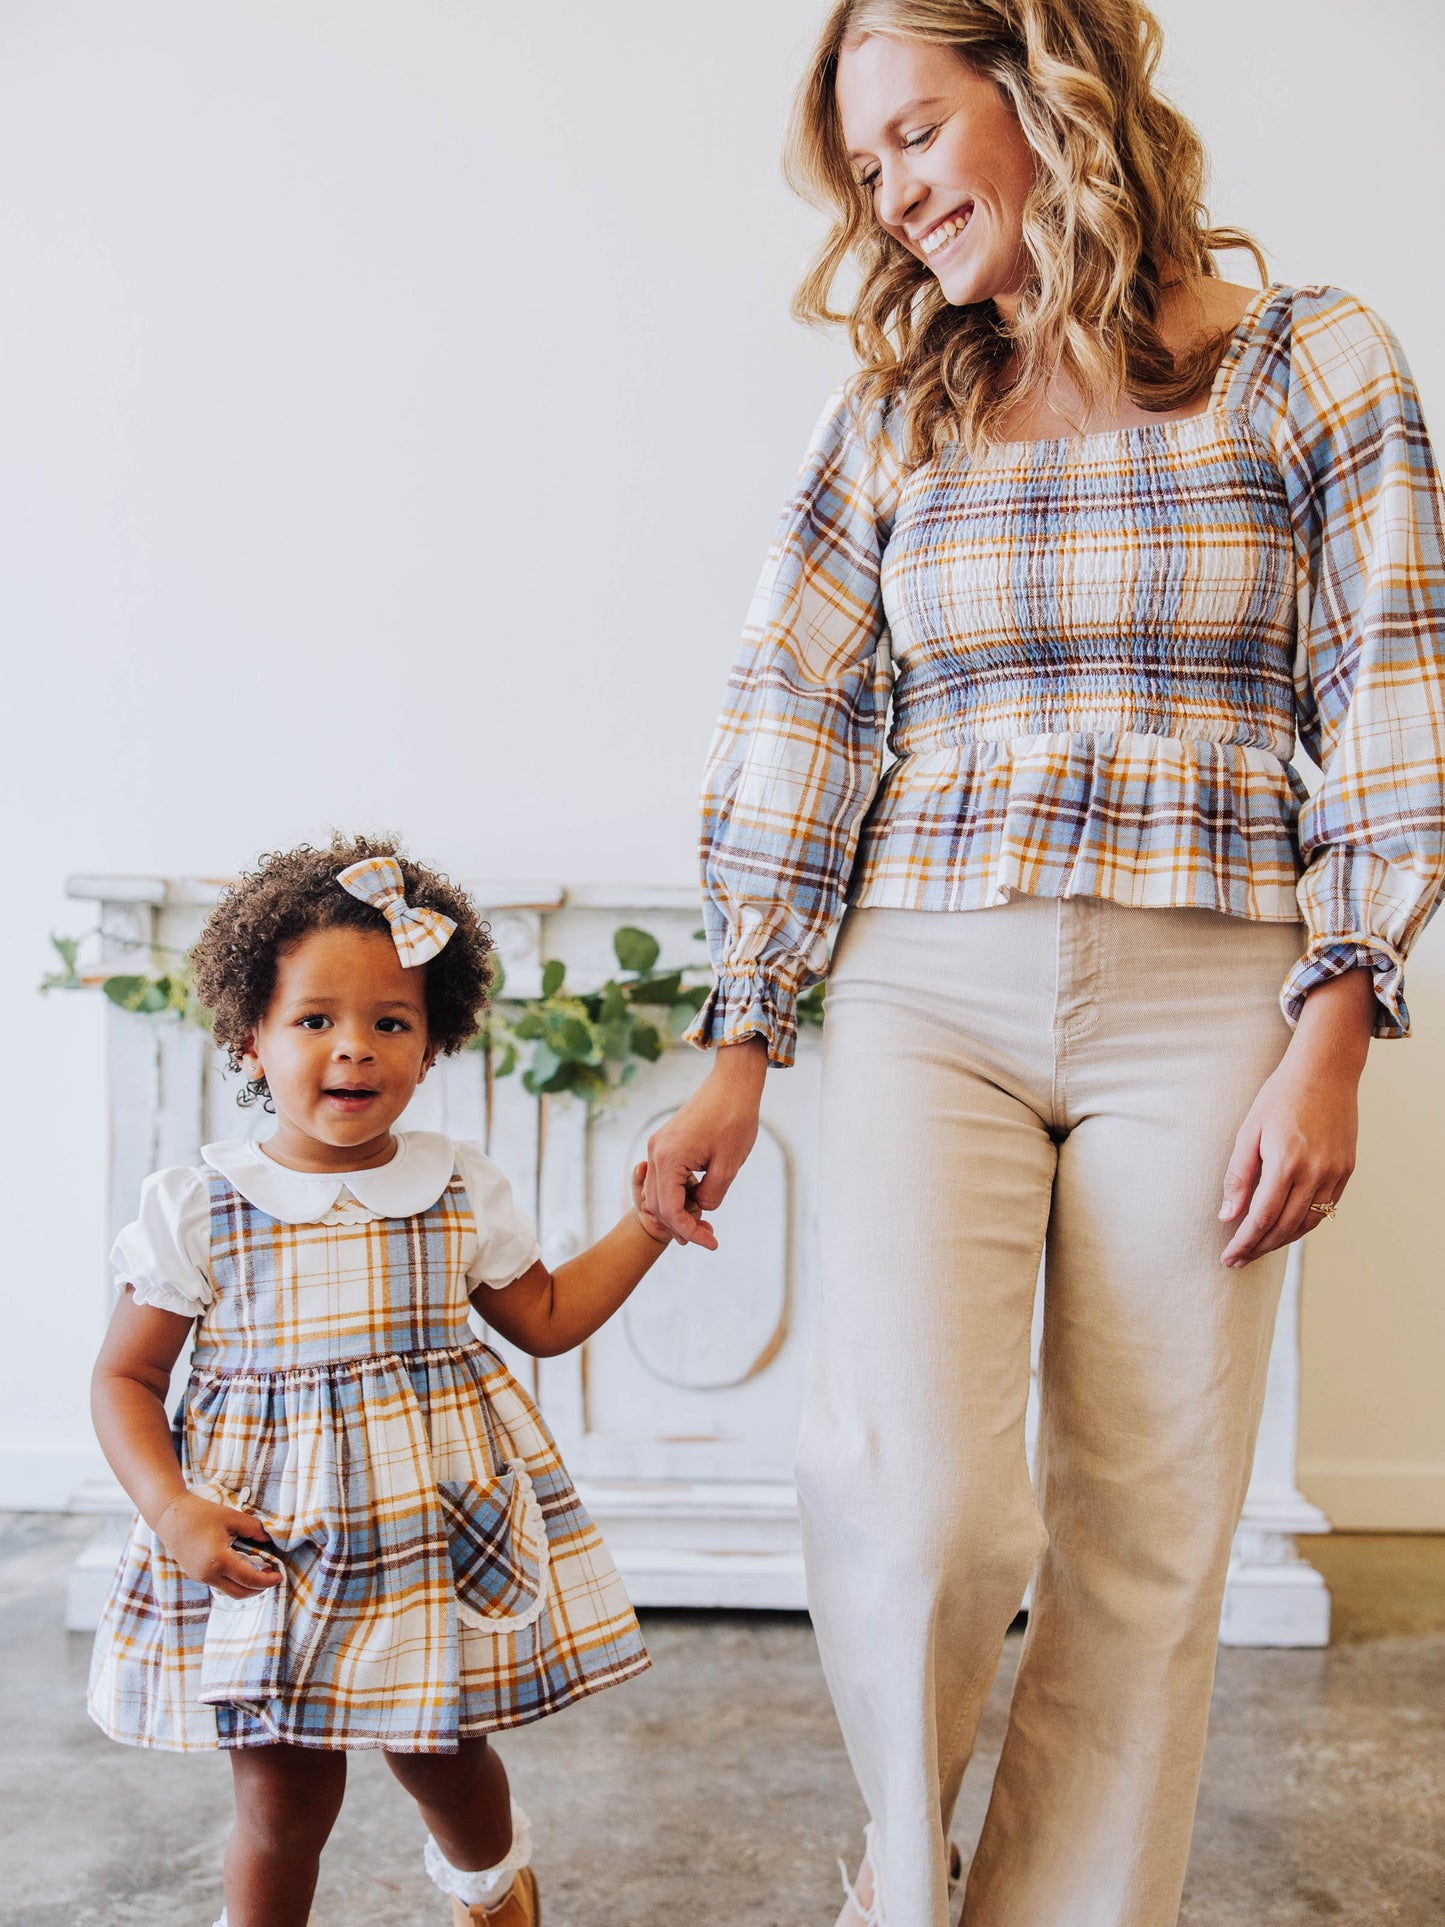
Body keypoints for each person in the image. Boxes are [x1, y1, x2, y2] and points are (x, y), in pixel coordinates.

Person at [642, 3, 1445, 1923]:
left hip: (1216, 986)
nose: (899, 192)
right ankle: (904, 1885)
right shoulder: (901, 412)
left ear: (1048, 85)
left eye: (919, 130)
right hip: (931, 978)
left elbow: (1395, 696)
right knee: (915, 1500)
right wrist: (740, 1039)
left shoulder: (1311, 361)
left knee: (1150, 1537)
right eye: (869, 167)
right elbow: (800, 708)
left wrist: (1336, 1026)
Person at [88, 834, 682, 1927]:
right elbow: (126, 1376)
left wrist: (646, 1223)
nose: (352, 1049)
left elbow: (545, 1319)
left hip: (426, 1533)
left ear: (431, 1039)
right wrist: (169, 1506)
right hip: (272, 1545)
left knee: (445, 1756)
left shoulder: (456, 1185)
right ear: (250, 1037)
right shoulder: (201, 1205)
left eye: (389, 1023)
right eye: (315, 1020)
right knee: (281, 1793)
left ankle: (492, 1891)